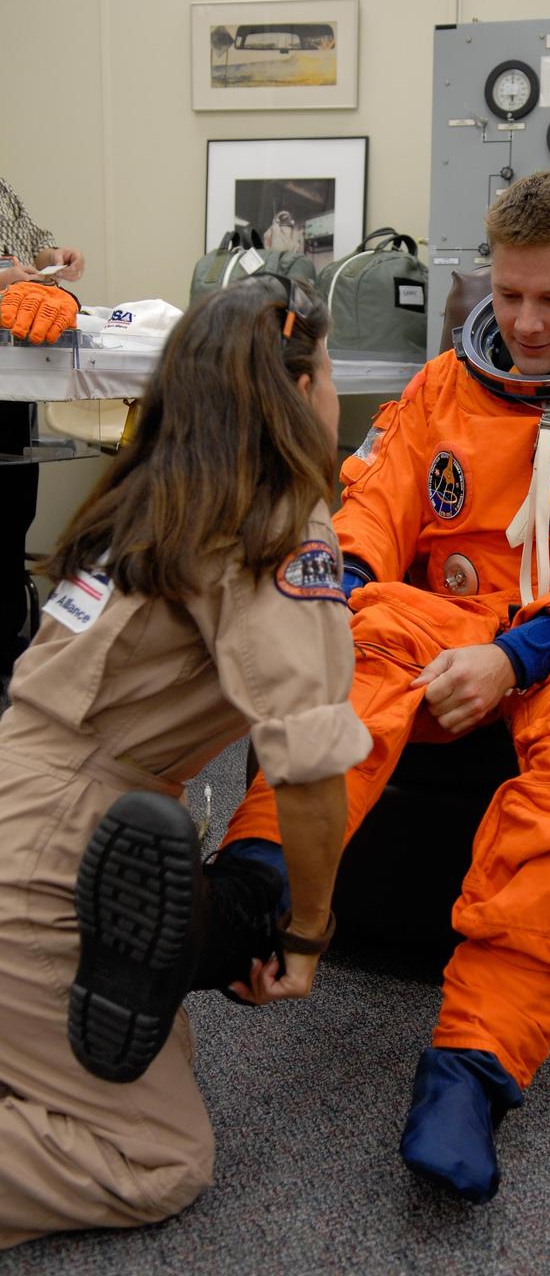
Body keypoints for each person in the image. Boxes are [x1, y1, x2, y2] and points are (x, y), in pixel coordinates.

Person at [218, 171, 550, 1202]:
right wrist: (342, 591)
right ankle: (243, 900)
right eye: (505, 296)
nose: (526, 323)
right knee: (346, 650)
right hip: (452, 623)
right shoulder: (444, 386)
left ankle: (471, 1067)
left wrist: (520, 653)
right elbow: (368, 505)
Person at [0, 276, 371, 1249]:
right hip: (55, 842)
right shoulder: (278, 522)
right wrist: (307, 930)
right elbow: (306, 764)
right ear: (296, 389)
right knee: (153, 1153)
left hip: (16, 772)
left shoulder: (142, 491)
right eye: (328, 373)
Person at [0, 175, 85, 679]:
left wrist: (55, 256)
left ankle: (9, 649)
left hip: (11, 380)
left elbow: (26, 243)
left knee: (13, 515)